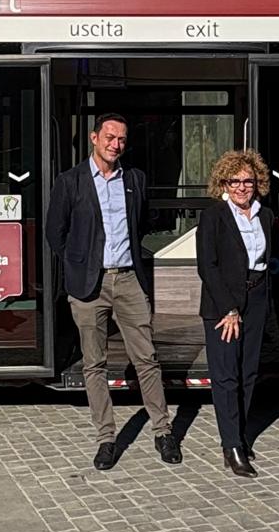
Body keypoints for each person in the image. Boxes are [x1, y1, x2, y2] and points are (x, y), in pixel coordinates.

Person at [44, 113, 181, 470]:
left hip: (129, 281)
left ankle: (163, 432)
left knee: (146, 358)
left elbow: (143, 222)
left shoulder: (134, 180)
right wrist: (79, 264)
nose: (115, 144)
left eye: (121, 138)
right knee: (95, 364)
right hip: (89, 285)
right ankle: (106, 439)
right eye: (109, 136)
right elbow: (54, 233)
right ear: (94, 138)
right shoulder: (69, 182)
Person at [196, 149, 279, 477]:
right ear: (224, 184)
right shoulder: (214, 216)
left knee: (248, 373)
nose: (243, 187)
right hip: (223, 304)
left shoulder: (266, 216)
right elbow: (208, 266)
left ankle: (240, 436)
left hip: (257, 297)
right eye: (236, 181)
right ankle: (230, 444)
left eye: (249, 181)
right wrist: (229, 308)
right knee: (226, 375)